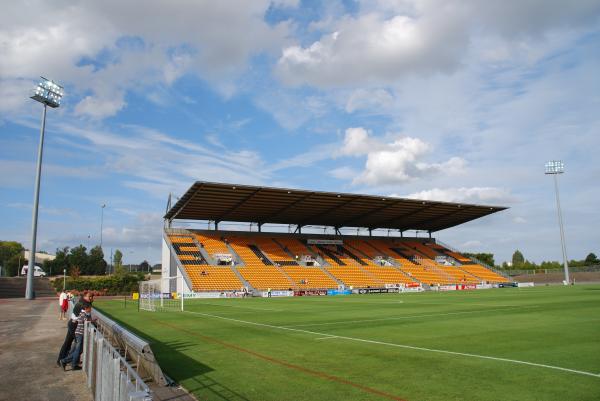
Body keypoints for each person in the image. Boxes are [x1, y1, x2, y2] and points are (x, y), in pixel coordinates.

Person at [57, 291, 93, 366]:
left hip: (72, 324)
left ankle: (64, 360)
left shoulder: (81, 302)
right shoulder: (85, 304)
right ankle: (66, 361)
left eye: (92, 296)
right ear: (84, 297)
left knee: (69, 343)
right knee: (78, 346)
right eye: (89, 296)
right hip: (74, 325)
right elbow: (87, 317)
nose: (91, 298)